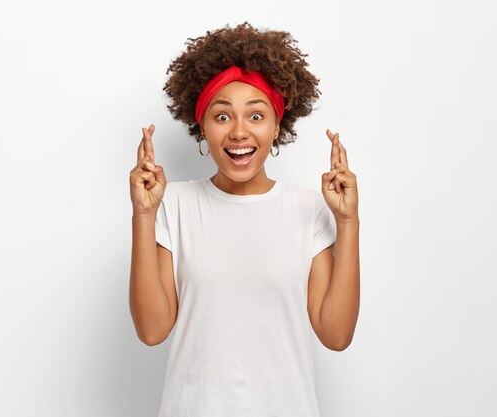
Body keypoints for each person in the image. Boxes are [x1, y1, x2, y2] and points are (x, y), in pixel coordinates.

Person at [129, 21, 360, 417]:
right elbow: (152, 331)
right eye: (222, 117)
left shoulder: (307, 209)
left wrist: (348, 223)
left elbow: (336, 335)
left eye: (256, 116)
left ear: (276, 127)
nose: (239, 132)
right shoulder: (175, 203)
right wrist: (144, 214)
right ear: (201, 126)